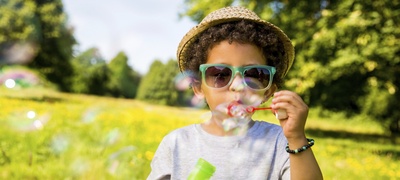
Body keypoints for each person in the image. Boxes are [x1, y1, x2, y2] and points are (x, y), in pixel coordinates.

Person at [148, 6, 323, 180]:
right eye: (220, 75)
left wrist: (297, 137)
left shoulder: (281, 142)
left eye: (253, 74)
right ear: (198, 88)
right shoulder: (176, 144)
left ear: (268, 91)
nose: (237, 85)